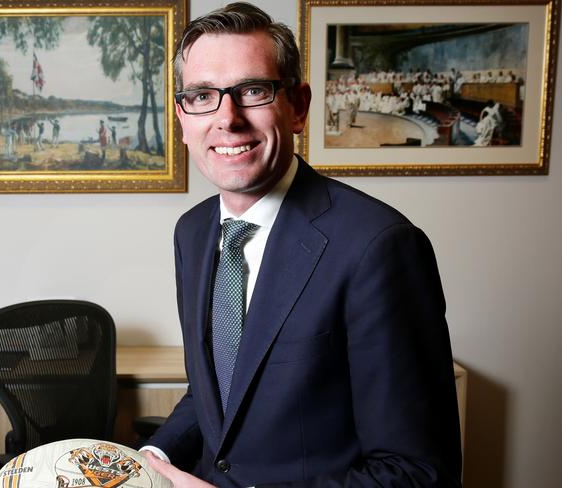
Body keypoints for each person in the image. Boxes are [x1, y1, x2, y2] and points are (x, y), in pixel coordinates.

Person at [143, 3, 461, 486]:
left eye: (253, 91)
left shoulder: (379, 247)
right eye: (203, 95)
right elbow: (219, 393)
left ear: (298, 107)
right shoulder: (192, 231)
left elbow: (418, 473)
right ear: (183, 118)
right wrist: (148, 459)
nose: (227, 119)